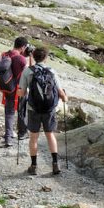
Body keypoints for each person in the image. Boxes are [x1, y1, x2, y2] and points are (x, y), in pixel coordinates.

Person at [19, 47, 68, 175]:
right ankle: (55, 164)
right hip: (49, 109)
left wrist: (20, 94)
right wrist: (65, 98)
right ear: (45, 58)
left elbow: (22, 93)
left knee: (33, 137)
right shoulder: (51, 71)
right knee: (50, 134)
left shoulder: (27, 71)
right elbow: (60, 91)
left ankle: (34, 166)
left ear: (33, 57)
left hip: (33, 109)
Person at [0, 36, 32, 148]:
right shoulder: (21, 59)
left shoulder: (5, 54)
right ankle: (22, 133)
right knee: (22, 111)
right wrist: (29, 58)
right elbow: (27, 74)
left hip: (7, 88)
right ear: (24, 47)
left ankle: (8, 138)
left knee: (9, 113)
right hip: (19, 89)